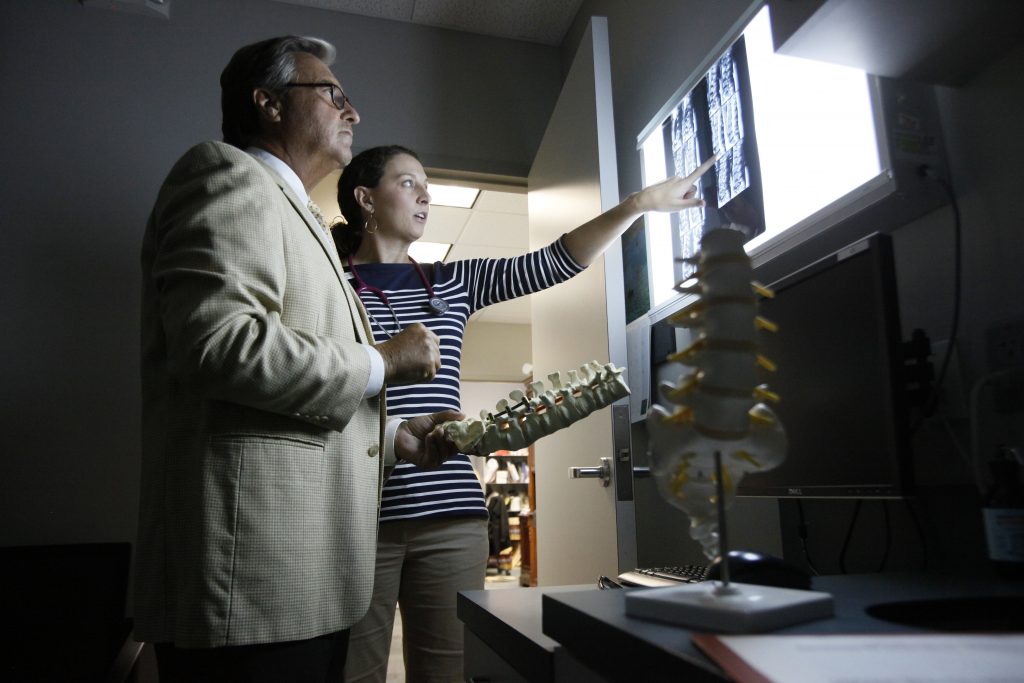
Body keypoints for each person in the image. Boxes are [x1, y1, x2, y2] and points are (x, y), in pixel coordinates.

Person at [133, 37, 464, 683]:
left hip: (302, 577)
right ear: (269, 103)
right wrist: (382, 361)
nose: (353, 112)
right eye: (333, 94)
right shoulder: (226, 174)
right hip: (250, 580)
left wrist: (395, 439)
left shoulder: (303, 217)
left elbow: (287, 397)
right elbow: (219, 344)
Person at [333, 144, 716, 682]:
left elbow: (556, 261)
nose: (425, 196)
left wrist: (636, 204)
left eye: (428, 186)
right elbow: (316, 389)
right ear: (365, 198)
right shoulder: (329, 290)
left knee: (448, 672)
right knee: (353, 672)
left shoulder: (451, 282)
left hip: (451, 517)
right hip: (356, 514)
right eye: (408, 183)